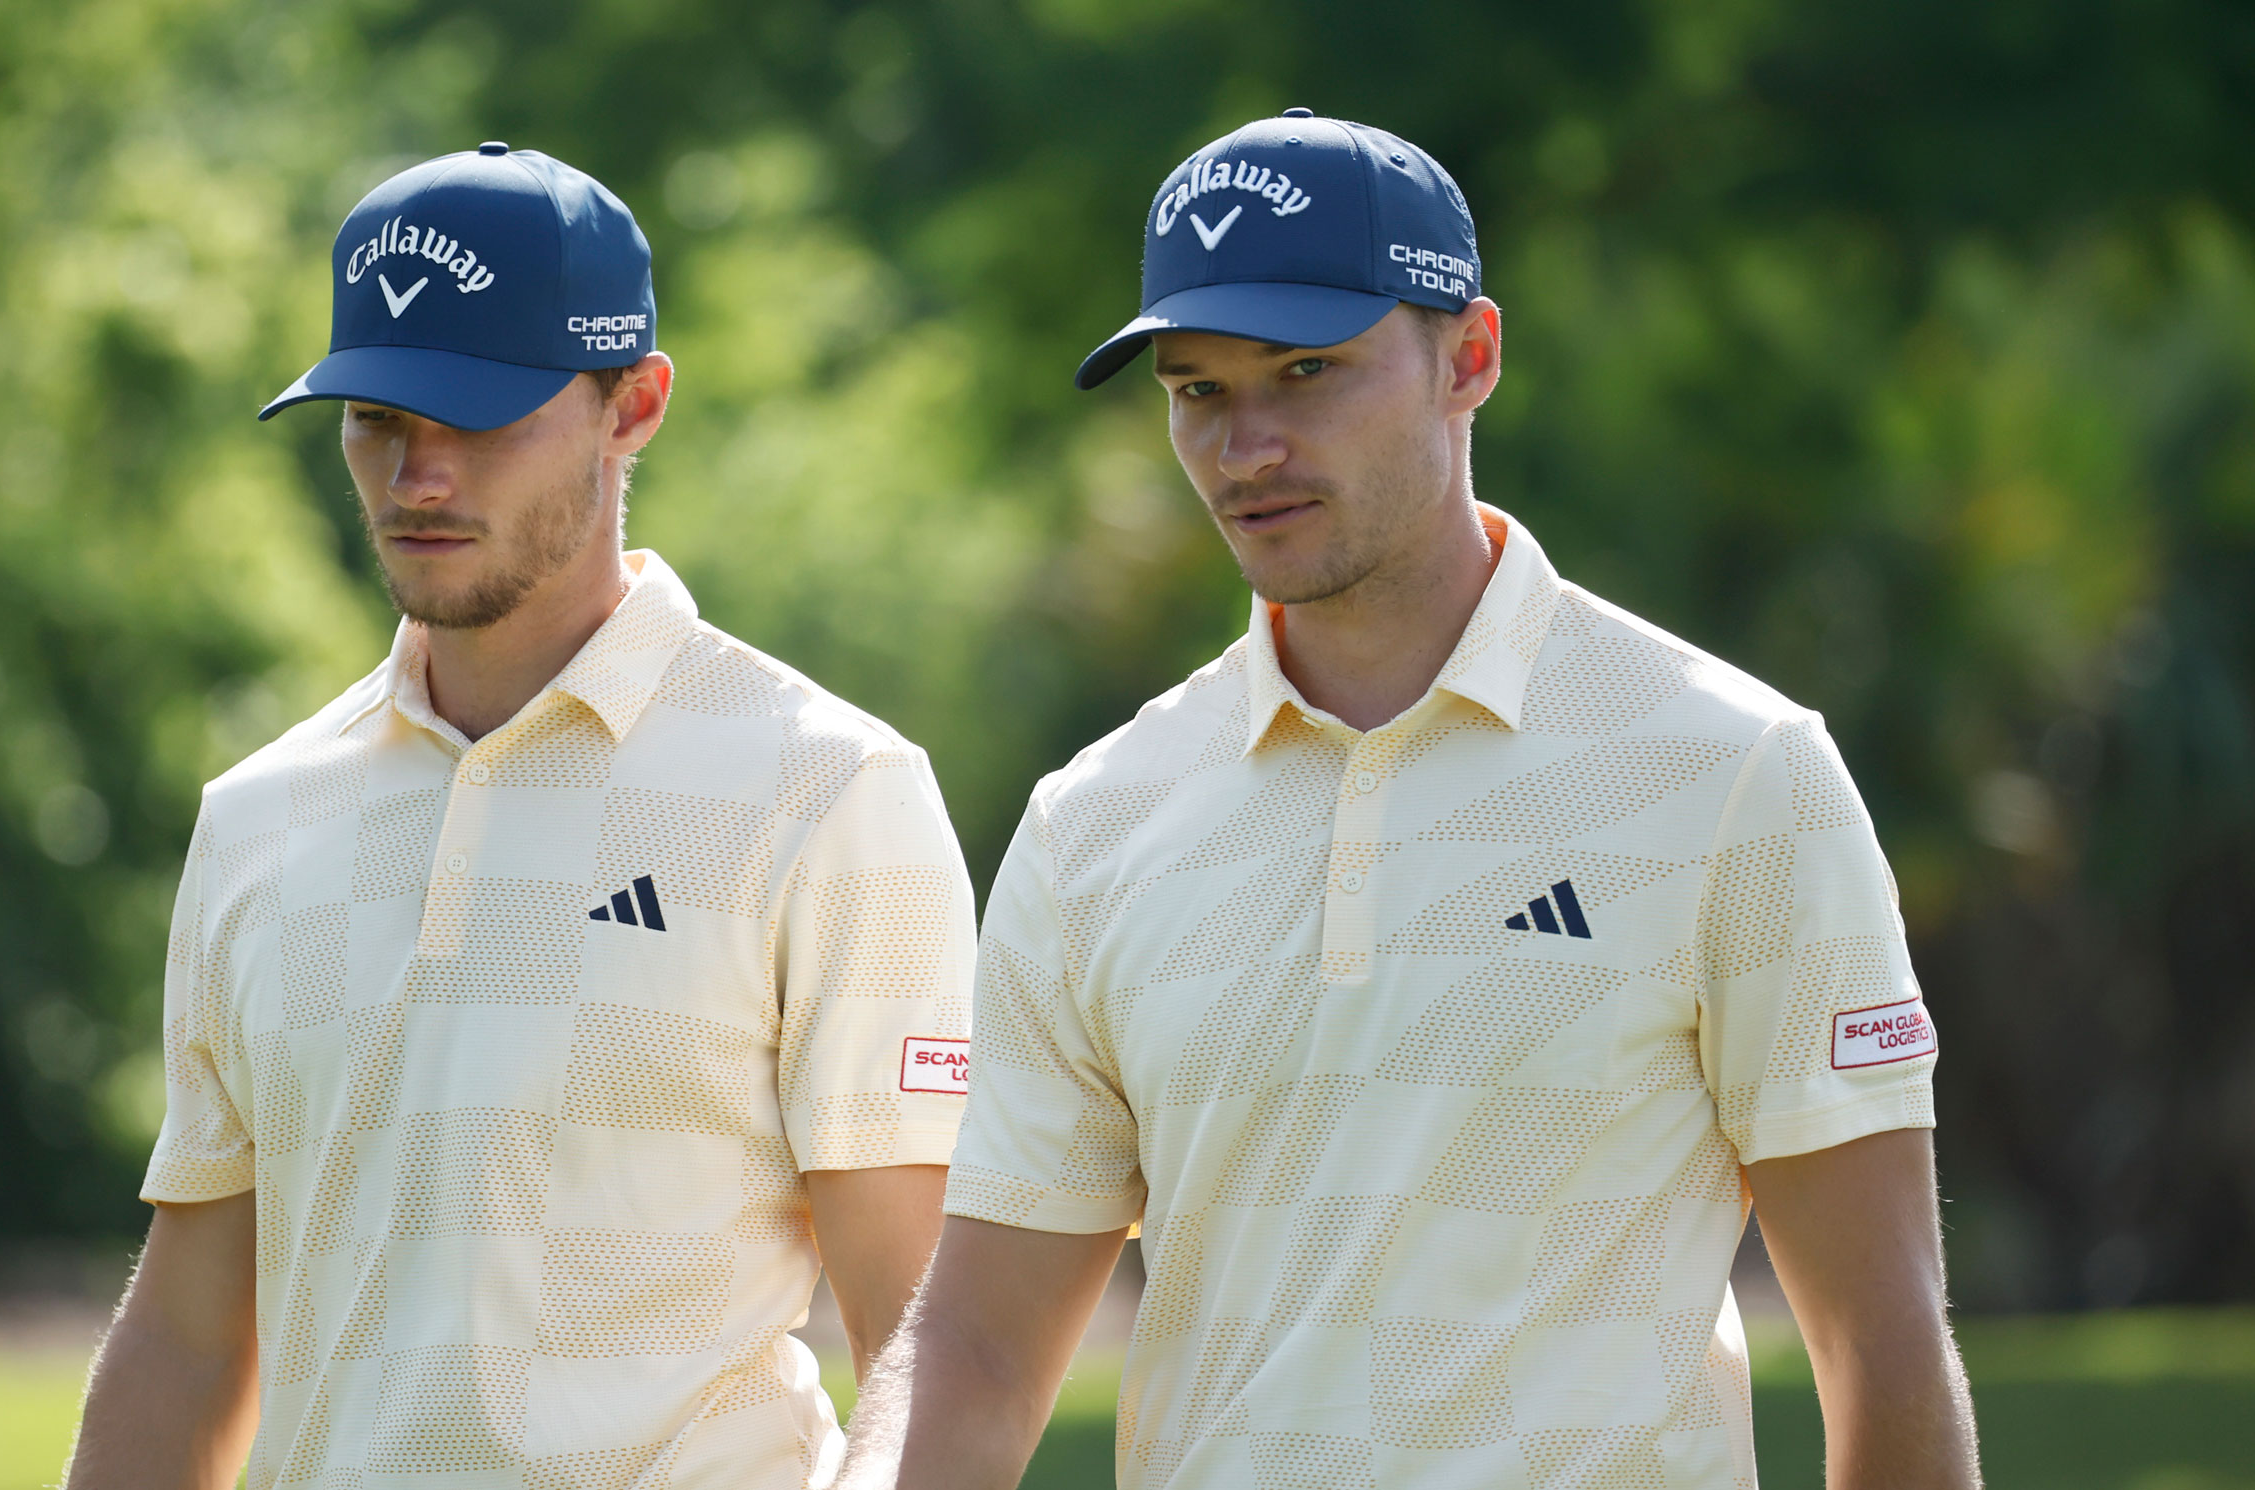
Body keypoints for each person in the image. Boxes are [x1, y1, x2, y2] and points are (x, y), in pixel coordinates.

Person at [842, 111, 1979, 1490]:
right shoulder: (1094, 822)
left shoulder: (1736, 773)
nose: (1245, 445)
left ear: (1471, 357)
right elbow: (978, 1345)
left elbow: (1881, 1341)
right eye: (1197, 389)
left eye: (1308, 370)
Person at [65, 142, 976, 1490]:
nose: (415, 476)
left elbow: (930, 1336)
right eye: (376, 418)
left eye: (475, 418)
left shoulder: (831, 790)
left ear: (635, 404)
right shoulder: (258, 816)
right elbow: (193, 1336)